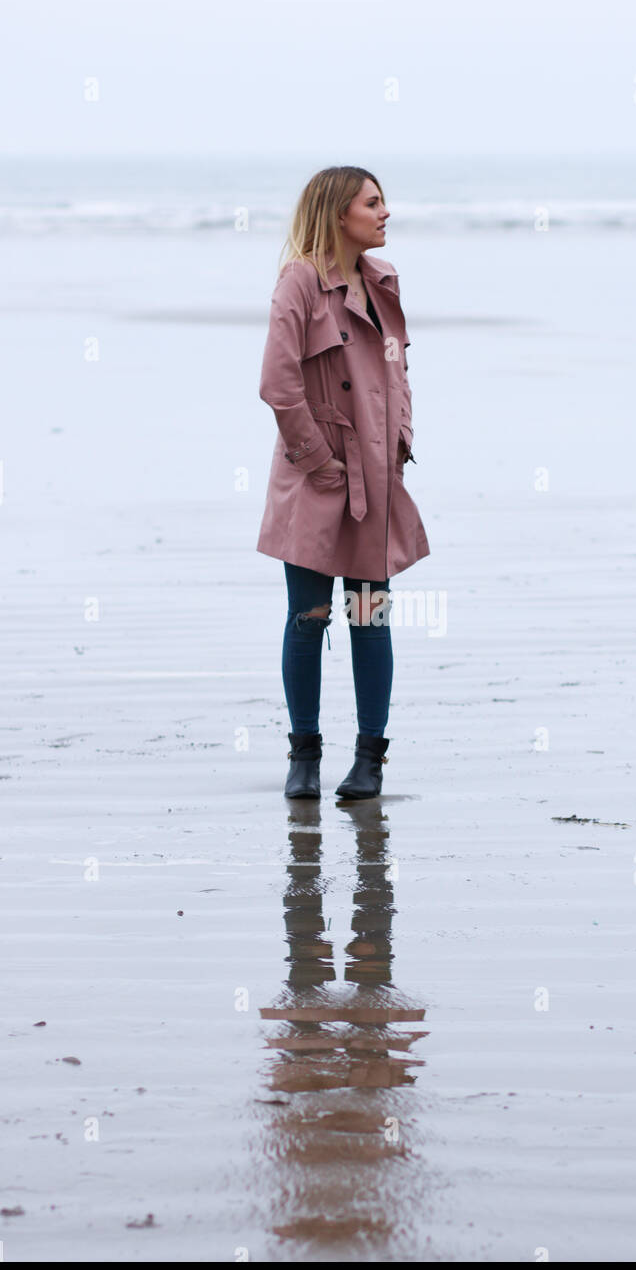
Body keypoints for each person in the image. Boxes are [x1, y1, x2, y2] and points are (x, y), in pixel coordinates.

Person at [257, 166, 430, 800]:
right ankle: (304, 757)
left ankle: (370, 760)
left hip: (377, 473)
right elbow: (278, 386)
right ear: (338, 213)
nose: (386, 213)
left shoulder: (384, 283)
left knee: (370, 615)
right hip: (316, 475)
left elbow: (398, 370)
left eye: (384, 202)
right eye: (373, 203)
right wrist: (320, 462)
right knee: (310, 615)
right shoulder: (300, 282)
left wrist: (402, 436)